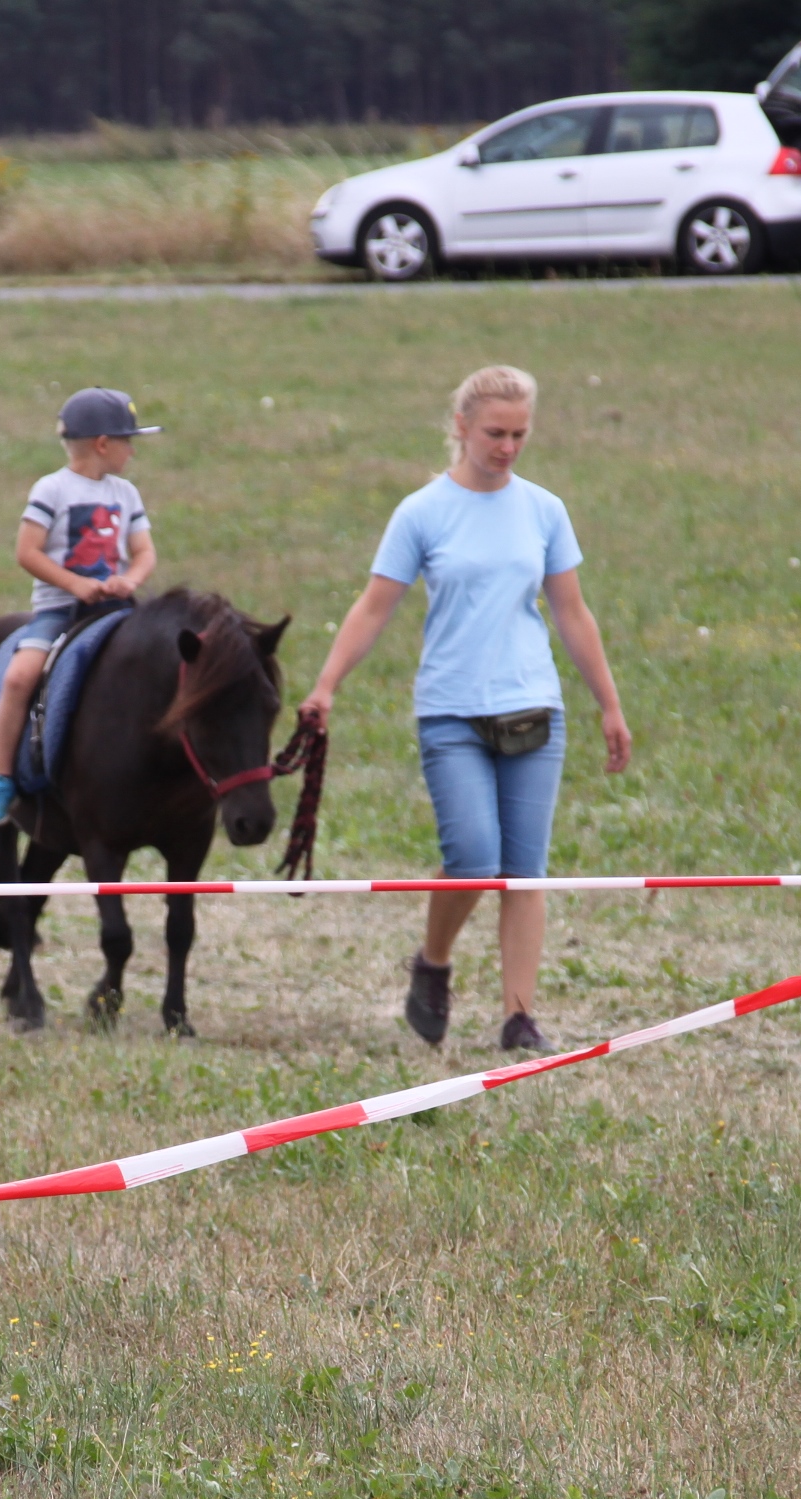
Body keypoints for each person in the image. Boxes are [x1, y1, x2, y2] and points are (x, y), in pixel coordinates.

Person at [296, 365, 632, 1055]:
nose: (507, 447)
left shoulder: (543, 509)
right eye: (494, 434)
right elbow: (374, 607)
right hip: (450, 712)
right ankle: (434, 962)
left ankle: (519, 1018)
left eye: (519, 435)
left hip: (532, 707)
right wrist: (326, 684)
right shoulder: (422, 512)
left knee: (524, 869)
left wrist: (609, 703)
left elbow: (571, 612)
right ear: (461, 426)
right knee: (474, 857)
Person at [0, 388, 160, 826]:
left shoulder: (126, 493)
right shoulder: (52, 489)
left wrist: (129, 581)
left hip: (117, 609)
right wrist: (75, 585)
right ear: (103, 444)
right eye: (128, 441)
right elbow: (28, 552)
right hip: (59, 612)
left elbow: (144, 552)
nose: (132, 451)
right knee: (20, 677)